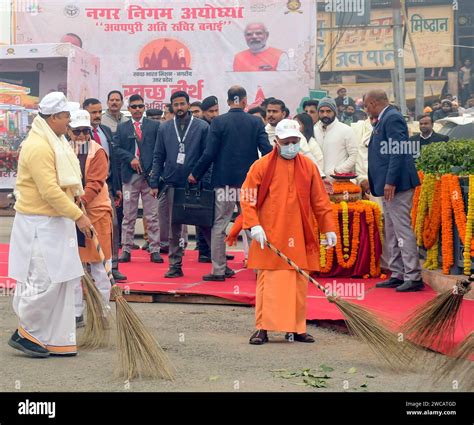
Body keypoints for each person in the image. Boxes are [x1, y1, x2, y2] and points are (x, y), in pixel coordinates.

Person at [8, 92, 92, 357]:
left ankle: (53, 338)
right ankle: (26, 332)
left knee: (63, 278)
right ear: (54, 117)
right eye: (66, 116)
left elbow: (63, 186)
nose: (68, 121)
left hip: (56, 220)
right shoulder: (38, 146)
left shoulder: (56, 140)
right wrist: (78, 216)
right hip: (39, 223)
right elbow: (49, 191)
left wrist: (75, 201)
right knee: (44, 280)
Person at [240, 119, 337, 345]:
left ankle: (297, 329)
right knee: (269, 284)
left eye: (295, 141)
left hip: (299, 235)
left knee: (298, 282)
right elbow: (247, 197)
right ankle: (263, 328)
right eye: (287, 142)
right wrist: (254, 225)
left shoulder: (309, 167)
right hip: (270, 235)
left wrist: (328, 228)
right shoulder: (261, 166)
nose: (291, 146)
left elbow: (320, 201)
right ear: (276, 141)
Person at [189, 86, 273, 281]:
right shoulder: (255, 122)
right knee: (252, 224)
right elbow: (267, 151)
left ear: (227, 102)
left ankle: (218, 270)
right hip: (249, 183)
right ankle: (258, 269)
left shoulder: (218, 122)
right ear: (244, 101)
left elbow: (209, 153)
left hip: (224, 183)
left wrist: (195, 173)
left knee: (219, 225)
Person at [364, 90, 423, 292]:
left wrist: (390, 181)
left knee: (401, 229)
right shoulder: (384, 118)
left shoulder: (392, 117)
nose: (365, 110)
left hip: (398, 184)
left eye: (366, 105)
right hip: (389, 185)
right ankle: (397, 273)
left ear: (373, 102)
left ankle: (413, 276)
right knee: (391, 230)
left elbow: (398, 151)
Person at [150, 91, 212, 278]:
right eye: (175, 105)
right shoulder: (165, 128)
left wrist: (203, 179)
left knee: (205, 225)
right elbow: (158, 156)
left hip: (196, 183)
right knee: (173, 227)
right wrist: (154, 182)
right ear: (171, 106)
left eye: (182, 104)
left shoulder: (202, 127)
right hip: (172, 183)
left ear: (188, 104)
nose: (179, 108)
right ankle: (175, 265)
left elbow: (208, 156)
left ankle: (219, 264)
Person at [68, 110, 113, 326]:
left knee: (100, 267)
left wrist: (78, 203)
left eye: (85, 131)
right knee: (74, 267)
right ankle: (77, 313)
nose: (81, 136)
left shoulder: (98, 152)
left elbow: (95, 183)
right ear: (69, 131)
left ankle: (103, 312)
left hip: (96, 214)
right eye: (76, 131)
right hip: (72, 215)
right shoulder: (63, 150)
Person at [113, 94, 163, 263]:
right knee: (128, 215)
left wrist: (155, 176)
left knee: (152, 215)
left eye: (140, 106)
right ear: (128, 109)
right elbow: (116, 149)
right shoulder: (122, 128)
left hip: (149, 177)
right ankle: (126, 249)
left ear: (144, 107)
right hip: (129, 176)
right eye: (133, 107)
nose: (137, 109)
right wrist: (130, 158)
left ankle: (154, 248)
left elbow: (159, 151)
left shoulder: (154, 126)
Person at [83, 98, 126, 282]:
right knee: (87, 230)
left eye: (100, 112)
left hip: (106, 187)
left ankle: (112, 266)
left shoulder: (105, 131)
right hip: (86, 190)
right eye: (93, 112)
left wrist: (117, 187)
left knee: (113, 227)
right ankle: (89, 266)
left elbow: (113, 161)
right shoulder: (79, 136)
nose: (98, 116)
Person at [314, 98, 358, 180]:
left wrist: (337, 171)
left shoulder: (346, 130)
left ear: (335, 112)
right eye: (322, 111)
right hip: (318, 181)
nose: (325, 115)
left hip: (339, 181)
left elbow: (354, 156)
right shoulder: (314, 131)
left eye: (328, 111)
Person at [294, 112, 324, 177]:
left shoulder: (312, 143)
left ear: (305, 126)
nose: (294, 127)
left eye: (298, 124)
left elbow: (319, 164)